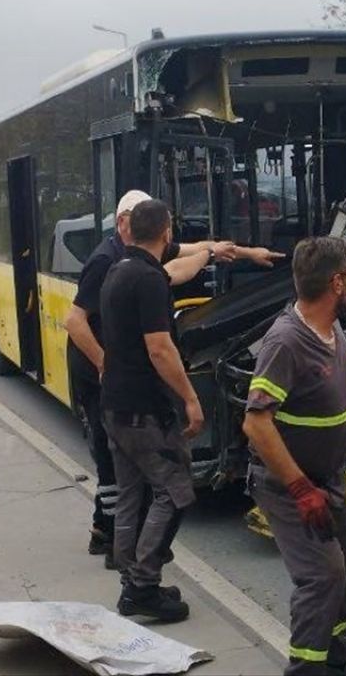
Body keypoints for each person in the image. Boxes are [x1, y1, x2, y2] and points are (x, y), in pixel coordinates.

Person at [64, 190, 283, 565]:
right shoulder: (109, 263)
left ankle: (125, 561)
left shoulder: (130, 266)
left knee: (131, 483)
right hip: (105, 380)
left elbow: (192, 256)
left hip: (119, 389)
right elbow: (147, 345)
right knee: (160, 485)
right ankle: (132, 562)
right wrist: (108, 366)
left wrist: (244, 254)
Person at [242, 236, 346, 676]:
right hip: (290, 487)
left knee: (344, 579)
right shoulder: (286, 343)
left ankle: (336, 664)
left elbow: (317, 401)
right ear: (337, 282)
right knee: (322, 578)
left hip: (330, 477)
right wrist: (300, 489)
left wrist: (343, 442)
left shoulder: (331, 327)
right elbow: (256, 423)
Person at [99, 199, 205, 622]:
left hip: (115, 405)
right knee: (174, 491)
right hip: (145, 410)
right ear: (166, 231)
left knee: (131, 494)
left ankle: (132, 579)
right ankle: (144, 585)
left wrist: (210, 252)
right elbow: (160, 348)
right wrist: (191, 399)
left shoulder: (118, 270)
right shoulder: (148, 280)